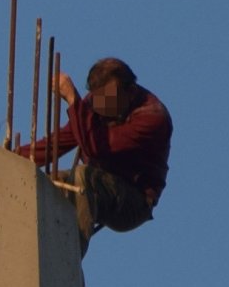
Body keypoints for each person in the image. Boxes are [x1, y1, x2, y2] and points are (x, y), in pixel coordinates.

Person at [18, 57, 172, 256]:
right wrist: (15, 157)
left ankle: (69, 257)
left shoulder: (152, 118)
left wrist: (73, 100)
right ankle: (33, 249)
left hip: (133, 200)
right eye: (99, 101)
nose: (103, 110)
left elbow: (96, 148)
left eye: (111, 103)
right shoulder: (98, 103)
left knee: (83, 177)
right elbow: (62, 140)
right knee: (52, 183)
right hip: (101, 183)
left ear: (131, 92)